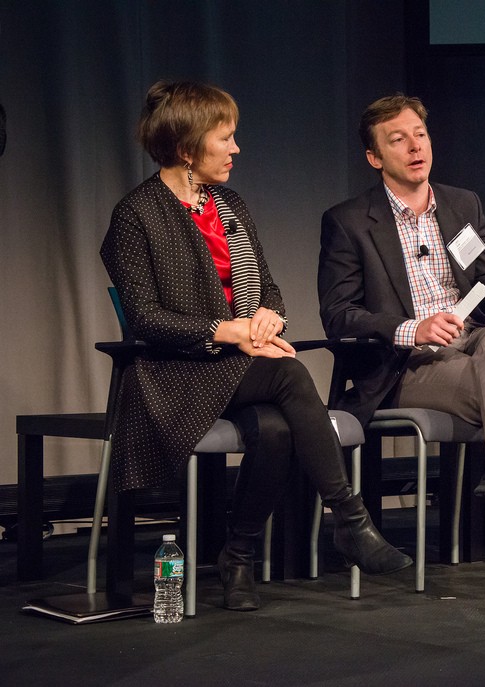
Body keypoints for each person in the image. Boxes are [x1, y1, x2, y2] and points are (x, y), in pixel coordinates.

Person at [100, 81, 411, 613]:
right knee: (291, 375)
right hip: (173, 371)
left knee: (274, 426)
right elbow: (146, 318)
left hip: (237, 366)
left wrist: (268, 317)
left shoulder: (230, 205)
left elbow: (265, 288)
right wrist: (229, 332)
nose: (237, 148)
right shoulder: (137, 215)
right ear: (186, 149)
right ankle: (349, 519)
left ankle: (237, 557)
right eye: (226, 138)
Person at [318, 94, 485, 600]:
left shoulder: (462, 204)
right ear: (375, 158)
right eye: (398, 139)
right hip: (408, 366)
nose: (415, 146)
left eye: (420, 133)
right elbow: (339, 315)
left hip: (476, 343)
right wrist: (411, 328)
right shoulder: (349, 221)